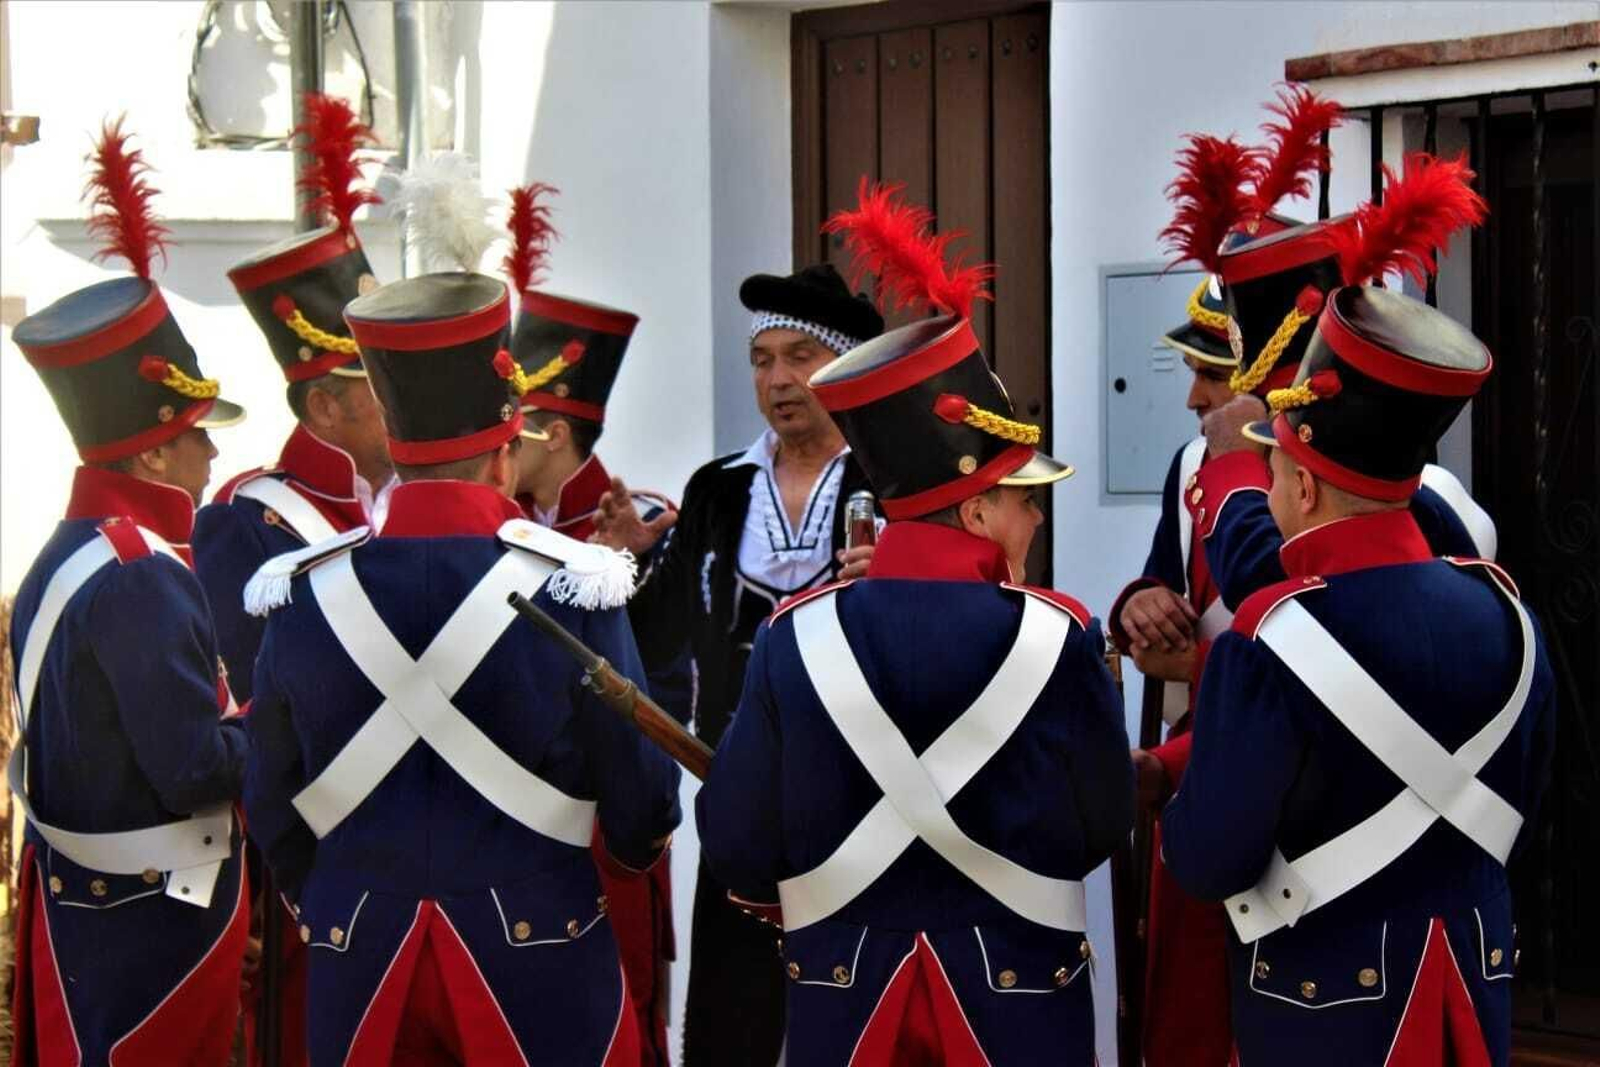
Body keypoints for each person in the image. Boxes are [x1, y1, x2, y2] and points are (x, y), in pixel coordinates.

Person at [241, 173, 682, 1061]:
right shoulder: (577, 582)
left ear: (395, 436)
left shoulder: (302, 588)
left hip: (357, 949)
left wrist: (335, 897)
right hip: (542, 947)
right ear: (505, 432)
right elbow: (640, 799)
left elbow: (271, 800)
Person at [696, 181, 1133, 1065]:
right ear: (974, 511)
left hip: (838, 996)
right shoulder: (1059, 635)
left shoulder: (794, 637)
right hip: (1020, 999)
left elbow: (738, 840)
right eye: (1022, 500)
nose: (1038, 521)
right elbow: (1103, 826)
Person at [1162, 279, 1555, 1066]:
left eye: (1273, 472)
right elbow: (1524, 803)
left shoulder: (1266, 642)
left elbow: (1209, 859)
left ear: (1302, 486)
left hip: (1322, 1008)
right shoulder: (1510, 614)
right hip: (1470, 998)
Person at [594, 261, 885, 1064]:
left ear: (845, 363)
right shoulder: (718, 489)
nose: (779, 379)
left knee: (857, 1010)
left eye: (800, 356)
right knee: (733, 1020)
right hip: (740, 789)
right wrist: (625, 563)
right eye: (763, 361)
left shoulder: (891, 483)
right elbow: (658, 643)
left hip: (867, 794)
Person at [8, 121, 251, 1066]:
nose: (211, 452)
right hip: (153, 929)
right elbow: (193, 766)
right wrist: (282, 719)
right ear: (151, 448)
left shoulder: (71, 550)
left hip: (94, 917)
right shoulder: (140, 569)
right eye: (194, 434)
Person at [497, 182, 689, 1065]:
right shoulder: (516, 532)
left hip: (604, 850)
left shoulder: (647, 528)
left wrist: (633, 573)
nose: (498, 449)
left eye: (513, 432)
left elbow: (667, 707)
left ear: (551, 430)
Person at [196, 93, 394, 706]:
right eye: (379, 386)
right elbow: (251, 696)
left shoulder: (419, 493)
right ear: (324, 410)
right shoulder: (245, 520)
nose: (402, 400)